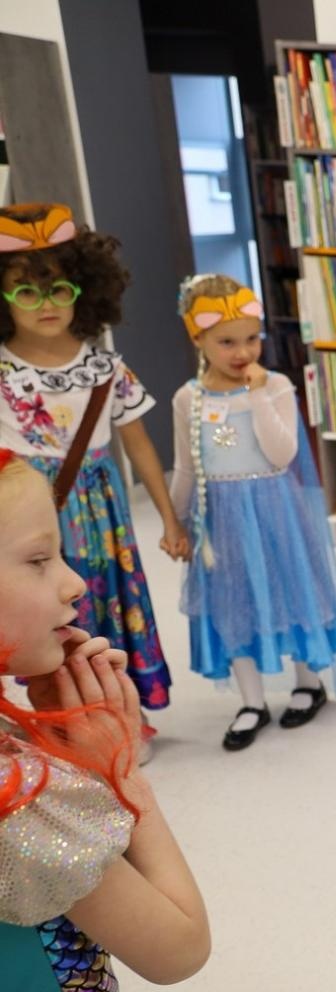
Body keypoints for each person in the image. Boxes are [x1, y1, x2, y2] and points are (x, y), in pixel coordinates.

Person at [0, 450, 210, 992]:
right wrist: (117, 767)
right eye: (39, 560)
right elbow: (179, 948)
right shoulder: (19, 801)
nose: (74, 582)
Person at [0, 203, 186, 713]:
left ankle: (119, 709)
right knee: (44, 610)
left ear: (84, 290)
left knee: (106, 598)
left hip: (103, 511)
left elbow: (140, 444)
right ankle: (57, 712)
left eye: (60, 287)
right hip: (29, 517)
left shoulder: (106, 368)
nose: (45, 302)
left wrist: (169, 517)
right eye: (25, 289)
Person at [170, 274, 336, 751]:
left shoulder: (274, 386)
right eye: (227, 342)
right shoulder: (189, 399)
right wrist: (176, 522)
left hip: (274, 509)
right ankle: (251, 701)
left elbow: (282, 453)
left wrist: (255, 397)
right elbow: (186, 468)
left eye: (252, 339)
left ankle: (308, 682)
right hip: (222, 519)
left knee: (291, 590)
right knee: (234, 602)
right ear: (198, 339)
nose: (242, 352)